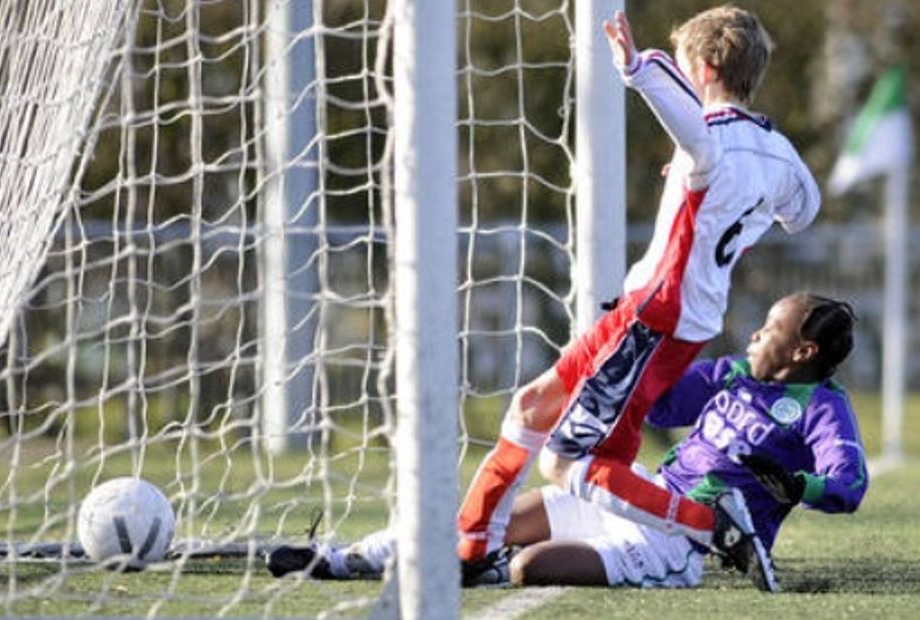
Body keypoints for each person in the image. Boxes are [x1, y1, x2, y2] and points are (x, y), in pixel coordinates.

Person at [455, 5, 821, 591]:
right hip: (670, 318)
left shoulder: (711, 141)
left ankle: (711, 525)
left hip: (654, 316)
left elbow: (699, 140)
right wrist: (745, 213)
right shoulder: (774, 147)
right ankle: (473, 545)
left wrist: (638, 67)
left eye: (683, 66)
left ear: (701, 69)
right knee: (532, 406)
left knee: (566, 462)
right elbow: (804, 211)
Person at [268, 293, 867, 592]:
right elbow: (659, 398)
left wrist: (796, 484)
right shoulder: (733, 373)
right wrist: (628, 349)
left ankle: (474, 572)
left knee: (530, 569)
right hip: (644, 493)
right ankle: (348, 559)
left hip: (687, 541)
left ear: (802, 352)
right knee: (481, 525)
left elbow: (848, 485)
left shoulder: (824, 410)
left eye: (769, 330)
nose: (756, 334)